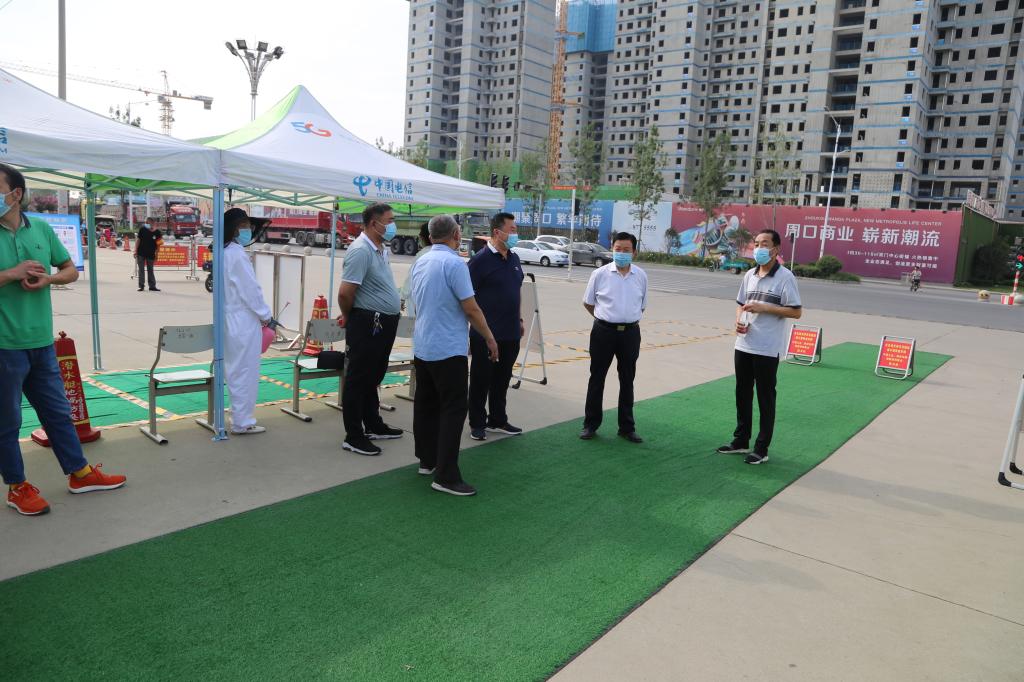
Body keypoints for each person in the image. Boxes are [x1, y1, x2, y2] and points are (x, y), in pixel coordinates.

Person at [0, 163, 126, 516]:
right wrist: (12, 273)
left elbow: (69, 269)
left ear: (16, 194)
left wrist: (49, 280)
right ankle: (17, 486)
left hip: (41, 343)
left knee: (58, 413)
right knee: (7, 423)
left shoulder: (41, 228)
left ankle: (79, 473)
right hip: (4, 346)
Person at [408, 214, 498, 497]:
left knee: (426, 404)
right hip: (447, 348)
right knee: (453, 409)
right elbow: (470, 308)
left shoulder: (421, 261)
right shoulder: (454, 263)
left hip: (424, 345)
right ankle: (446, 475)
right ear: (456, 234)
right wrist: (489, 337)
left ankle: (427, 460)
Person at [716, 229, 802, 465]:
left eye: (764, 244)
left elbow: (796, 311)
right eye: (756, 244)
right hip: (744, 343)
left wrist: (765, 308)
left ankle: (761, 448)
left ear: (776, 249)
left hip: (767, 347)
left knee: (765, 397)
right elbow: (741, 304)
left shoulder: (785, 277)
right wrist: (739, 320)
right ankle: (741, 440)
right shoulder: (750, 275)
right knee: (742, 393)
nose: (759, 248)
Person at [338, 203, 404, 456]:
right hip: (367, 323)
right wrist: (349, 316)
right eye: (389, 220)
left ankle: (373, 424)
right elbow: (345, 293)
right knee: (358, 379)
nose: (393, 225)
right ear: (374, 223)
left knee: (373, 377)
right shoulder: (360, 251)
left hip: (383, 323)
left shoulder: (380, 249)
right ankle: (354, 436)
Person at [580, 232, 648, 443]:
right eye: (618, 249)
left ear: (634, 252)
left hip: (630, 333)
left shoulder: (641, 276)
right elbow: (588, 303)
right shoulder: (599, 274)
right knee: (597, 377)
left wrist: (625, 319)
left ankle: (627, 427)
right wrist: (605, 319)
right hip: (603, 332)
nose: (621, 253)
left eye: (626, 250)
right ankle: (590, 424)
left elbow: (642, 306)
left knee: (627, 380)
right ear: (612, 249)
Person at [467, 212, 525, 441]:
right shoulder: (479, 261)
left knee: (502, 379)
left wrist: (519, 320)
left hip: (510, 332)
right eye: (512, 230)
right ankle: (477, 423)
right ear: (497, 233)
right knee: (481, 380)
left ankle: (498, 419)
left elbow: (515, 292)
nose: (515, 234)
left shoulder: (514, 258)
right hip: (485, 334)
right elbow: (468, 298)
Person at [222, 208, 274, 435]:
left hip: (228, 318)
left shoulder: (223, 251)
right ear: (234, 229)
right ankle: (242, 422)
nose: (248, 230)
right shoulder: (237, 254)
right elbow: (251, 290)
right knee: (246, 372)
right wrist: (266, 315)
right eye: (244, 226)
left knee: (235, 372)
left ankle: (238, 415)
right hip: (243, 320)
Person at [399, 222, 431, 316]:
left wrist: (402, 297)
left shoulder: (422, 256)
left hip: (420, 304)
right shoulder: (448, 255)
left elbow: (410, 280)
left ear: (422, 237)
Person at [135, 222, 159, 291]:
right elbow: (138, 240)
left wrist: (157, 254)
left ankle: (152, 286)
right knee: (141, 270)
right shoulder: (142, 229)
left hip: (151, 254)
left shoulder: (157, 232)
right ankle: (141, 286)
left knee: (150, 270)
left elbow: (159, 244)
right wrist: (135, 251)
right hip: (141, 253)